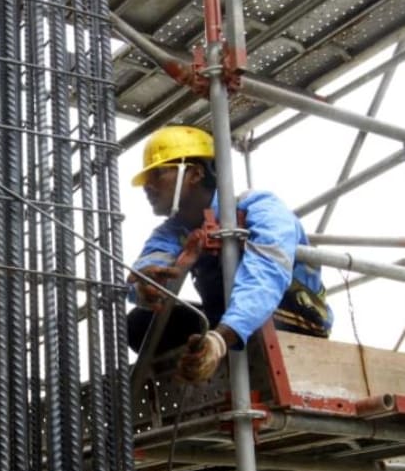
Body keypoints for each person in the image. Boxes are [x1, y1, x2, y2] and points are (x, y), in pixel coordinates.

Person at [126, 125, 332, 383]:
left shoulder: (259, 207)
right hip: (226, 317)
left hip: (289, 320)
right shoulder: (171, 232)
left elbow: (266, 276)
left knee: (253, 306)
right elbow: (147, 266)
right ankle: (198, 357)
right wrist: (146, 288)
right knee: (138, 324)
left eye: (157, 174)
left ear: (194, 174)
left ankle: (220, 345)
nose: (148, 186)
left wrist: (219, 339)